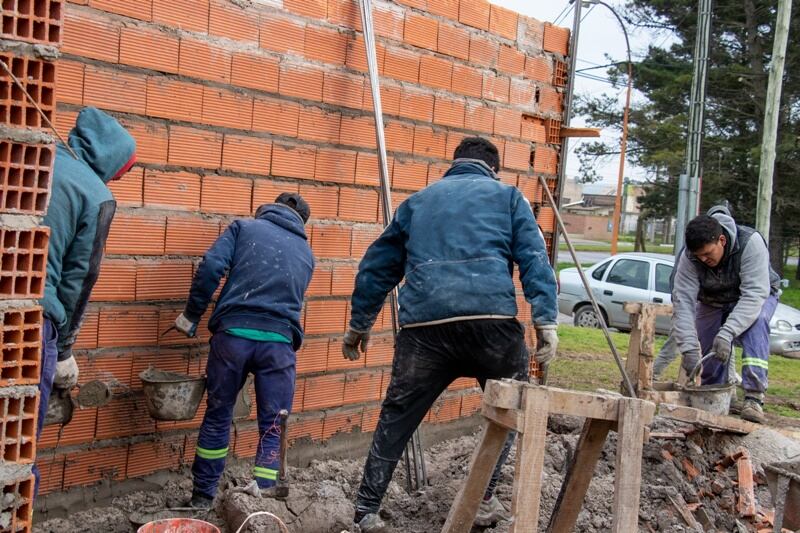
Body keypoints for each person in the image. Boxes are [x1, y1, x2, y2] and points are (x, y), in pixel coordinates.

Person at [342, 137, 559, 532]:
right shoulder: (509, 198)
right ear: (494, 169)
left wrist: (359, 325)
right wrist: (546, 321)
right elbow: (533, 258)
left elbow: (376, 267)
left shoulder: (417, 203)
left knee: (397, 417)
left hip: (425, 329)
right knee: (510, 411)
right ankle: (483, 498)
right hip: (492, 323)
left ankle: (365, 511)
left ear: (454, 164)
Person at [173, 193, 314, 508]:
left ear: (268, 209)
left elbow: (211, 266)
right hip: (278, 345)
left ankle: (201, 497)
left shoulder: (244, 229)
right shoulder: (306, 253)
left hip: (233, 337)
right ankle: (262, 502)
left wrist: (192, 315)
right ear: (302, 223)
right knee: (273, 424)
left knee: (219, 413)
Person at [39, 107, 137, 494]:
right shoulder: (96, 194)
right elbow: (80, 279)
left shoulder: (35, 158)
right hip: (32, 318)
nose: (116, 179)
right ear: (111, 160)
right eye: (120, 172)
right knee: (15, 444)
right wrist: (62, 350)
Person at [672, 209, 780, 424]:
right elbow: (682, 302)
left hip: (754, 295)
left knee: (756, 323)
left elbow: (754, 295)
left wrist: (728, 332)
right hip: (712, 299)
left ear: (721, 240)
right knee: (707, 345)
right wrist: (689, 349)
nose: (703, 260)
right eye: (698, 256)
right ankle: (714, 395)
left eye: (708, 254)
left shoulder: (750, 243)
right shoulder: (689, 257)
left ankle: (754, 397)